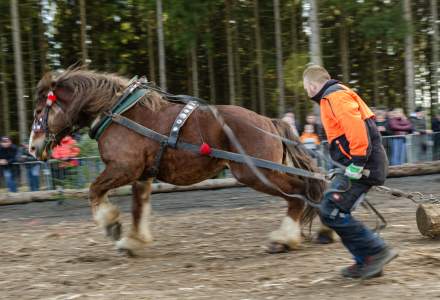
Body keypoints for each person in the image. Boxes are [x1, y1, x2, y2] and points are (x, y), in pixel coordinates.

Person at [302, 65, 397, 279]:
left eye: (305, 87)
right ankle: (366, 261)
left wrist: (357, 162)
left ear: (312, 85)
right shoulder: (332, 97)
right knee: (332, 209)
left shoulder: (336, 97)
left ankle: (375, 251)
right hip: (354, 164)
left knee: (331, 210)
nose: (306, 92)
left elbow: (357, 130)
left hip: (363, 166)